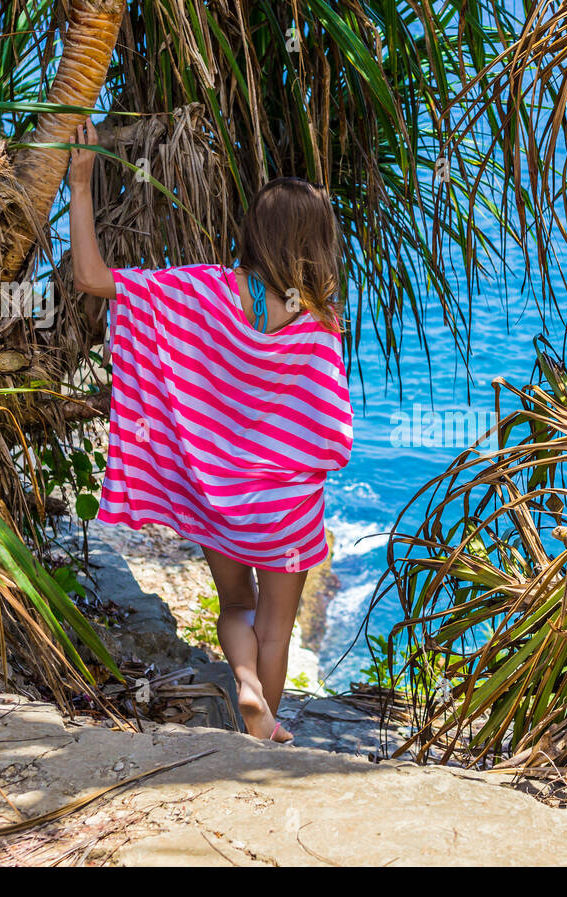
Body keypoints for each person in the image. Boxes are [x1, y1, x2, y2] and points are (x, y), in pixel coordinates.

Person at [66, 118, 353, 742]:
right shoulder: (320, 322)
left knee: (236, 606)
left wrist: (82, 184)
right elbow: (329, 426)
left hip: (220, 500)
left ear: (255, 232)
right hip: (287, 508)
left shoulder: (201, 291)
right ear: (314, 243)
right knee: (276, 625)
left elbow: (93, 278)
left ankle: (244, 685)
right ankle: (262, 733)